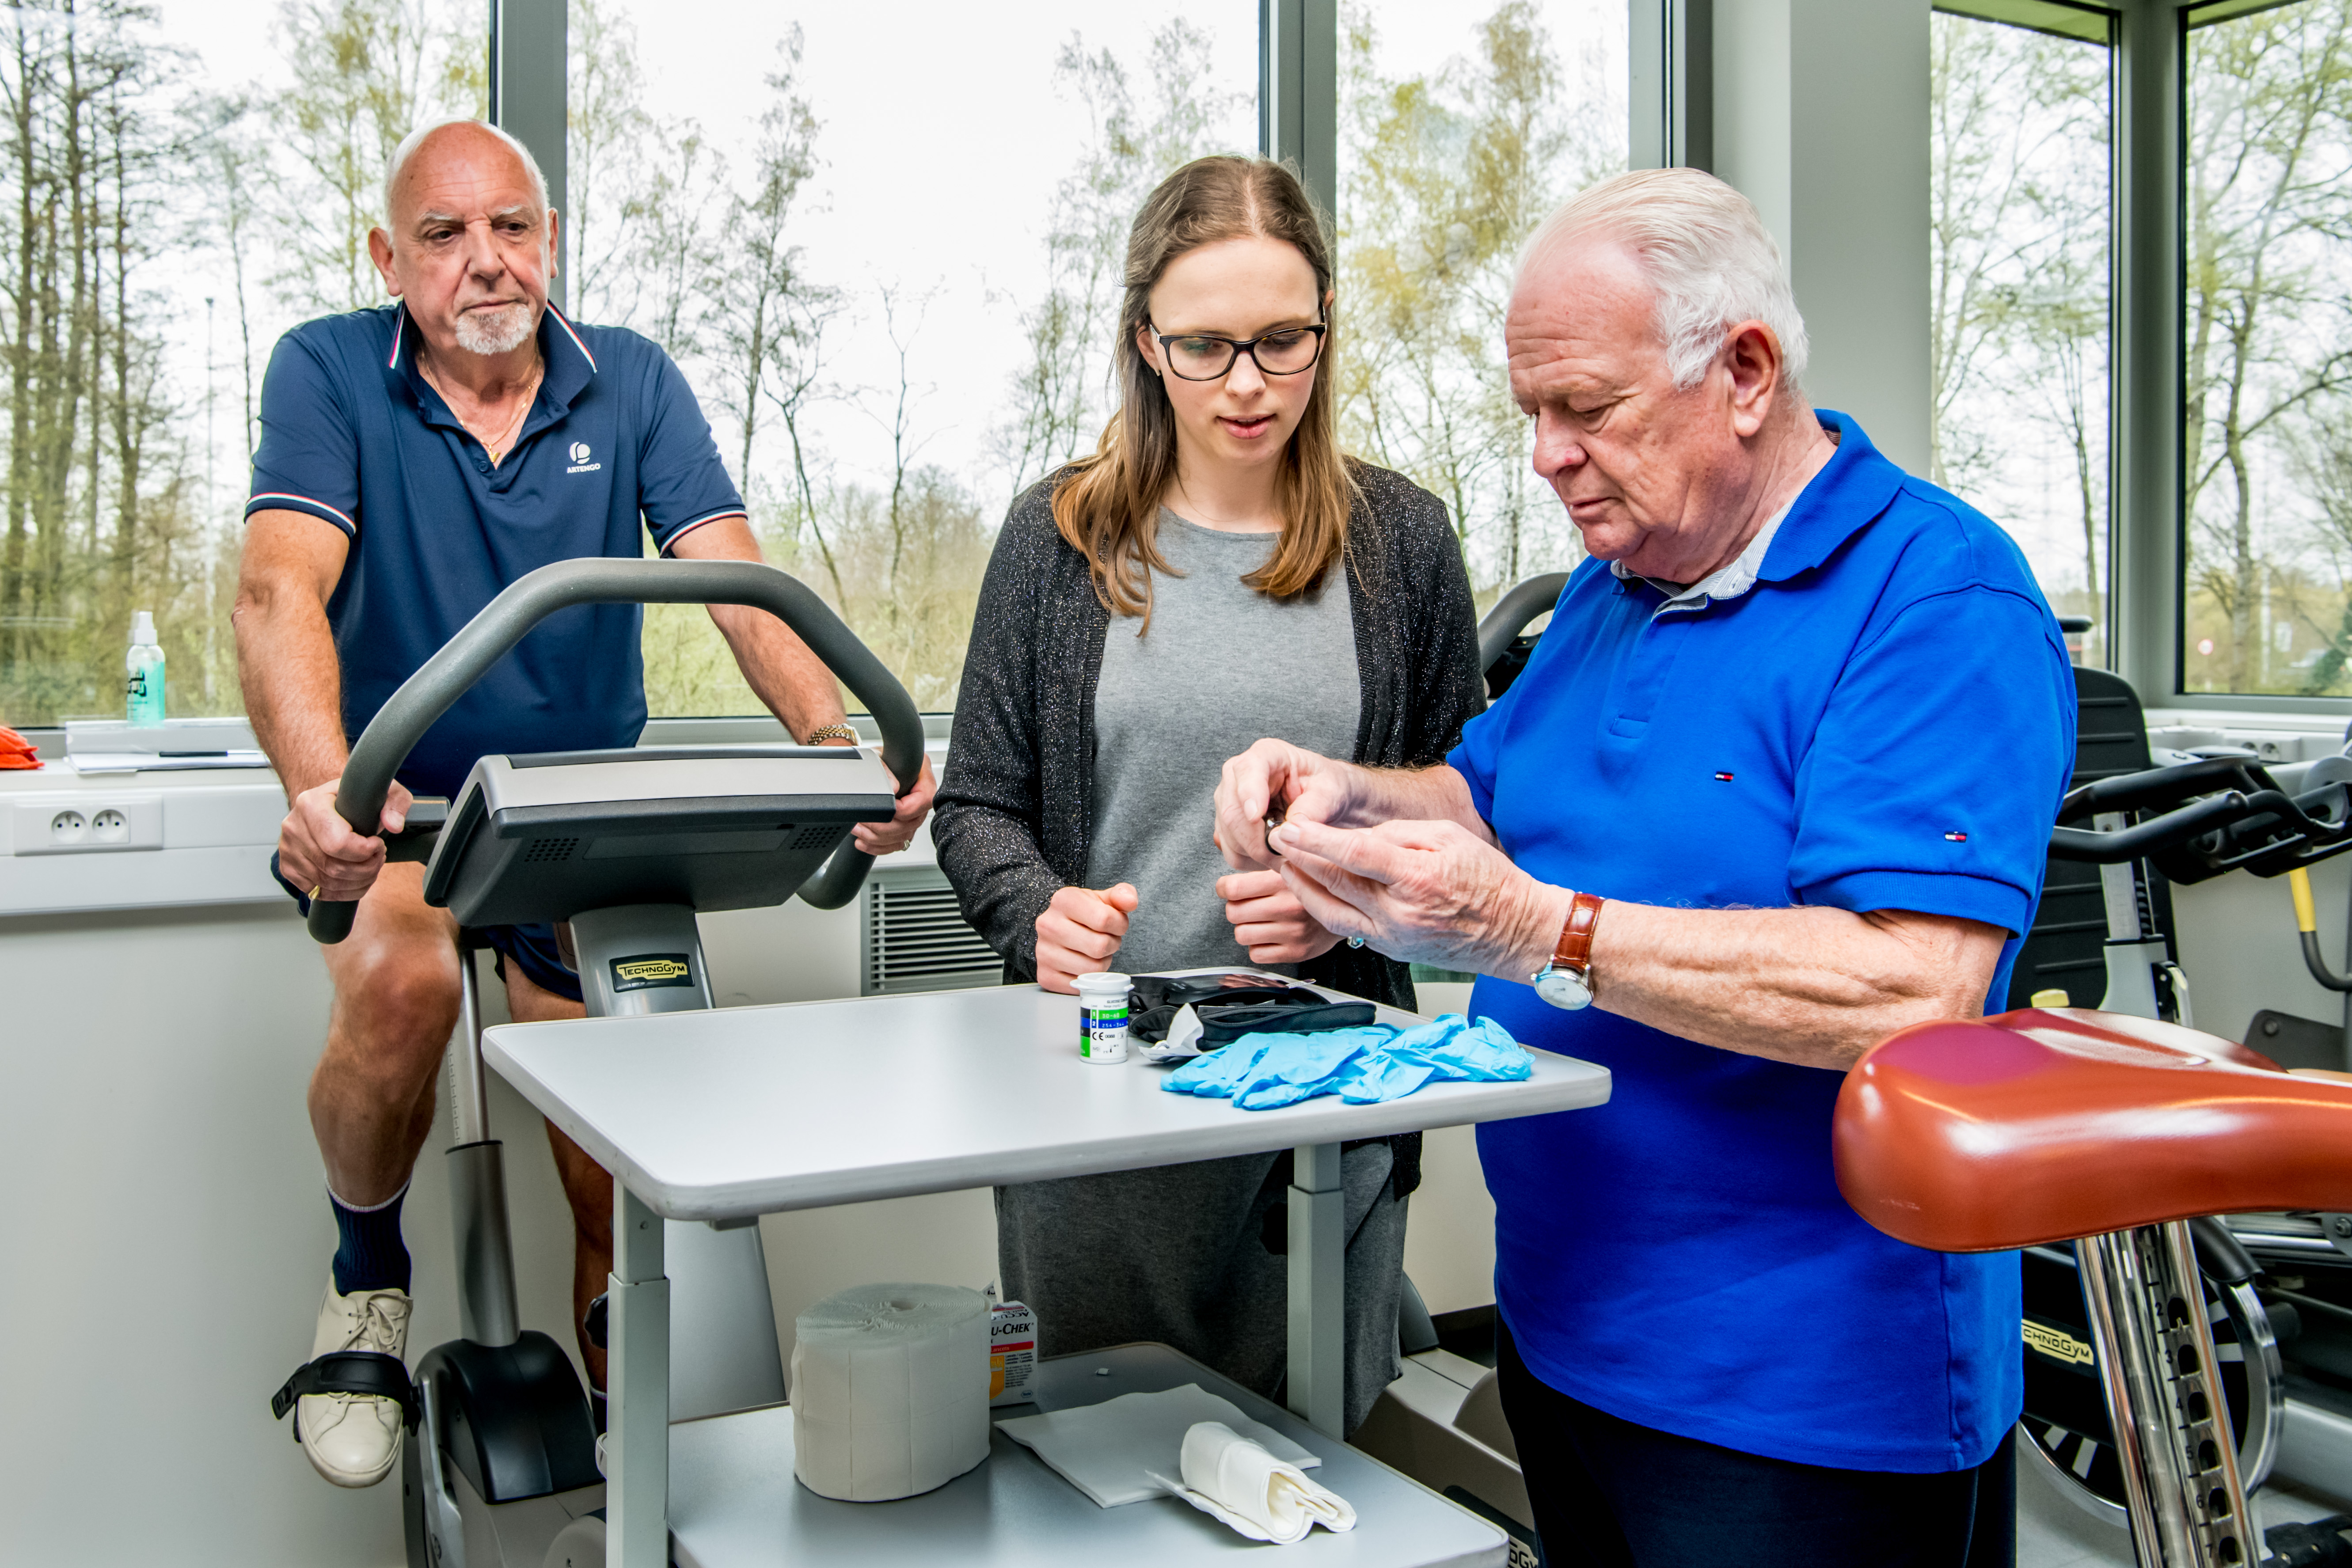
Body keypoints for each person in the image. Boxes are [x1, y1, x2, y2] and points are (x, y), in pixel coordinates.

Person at [1213, 167, 2074, 1566]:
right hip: (1568, 1332)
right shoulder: (1622, 591)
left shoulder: (1935, 598)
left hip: (1799, 1400)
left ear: (1742, 371)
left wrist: (1536, 932)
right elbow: (1490, 797)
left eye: (1588, 410)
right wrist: (1350, 795)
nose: (1549, 454)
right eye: (1533, 415)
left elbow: (1908, 990)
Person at [233, 118, 935, 1490]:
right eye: (443, 235)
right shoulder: (327, 370)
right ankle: (365, 1284)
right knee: (402, 987)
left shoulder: (632, 384)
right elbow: (278, 590)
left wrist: (839, 743)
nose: (485, 262)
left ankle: (640, 1442)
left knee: (629, 1132)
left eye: (512, 228)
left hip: (575, 820)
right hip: (405, 810)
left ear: (548, 242)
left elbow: (736, 581)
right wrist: (323, 793)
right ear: (390, 257)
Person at [931, 155, 1483, 1435]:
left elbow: (1465, 807)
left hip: (1318, 1093)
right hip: (1092, 1093)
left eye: (1281, 341)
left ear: (1325, 327)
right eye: (1203, 347)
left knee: (1309, 1466)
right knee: (1091, 1460)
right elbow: (976, 805)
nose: (1246, 384)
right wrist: (1035, 913)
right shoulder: (1056, 537)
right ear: (1143, 342)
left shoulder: (1400, 543)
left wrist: (1346, 916)